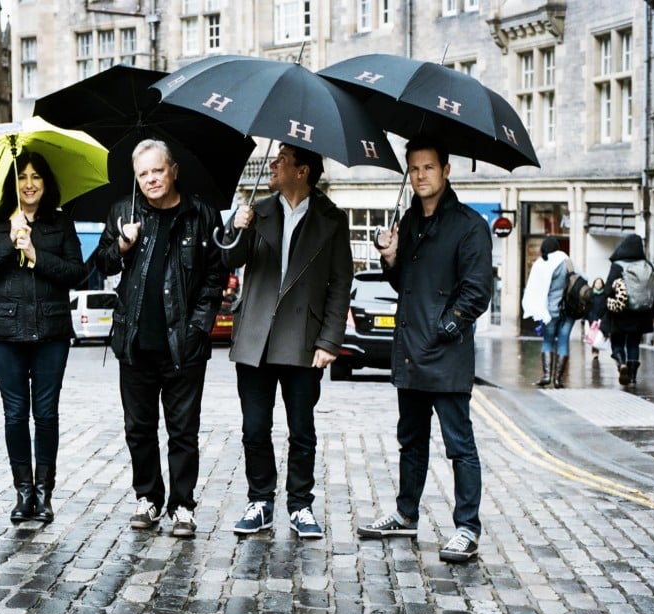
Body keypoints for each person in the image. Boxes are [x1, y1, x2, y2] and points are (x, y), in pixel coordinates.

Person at [357, 135, 493, 563]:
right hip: (409, 350)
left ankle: (467, 527)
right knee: (411, 441)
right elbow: (404, 285)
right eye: (413, 168)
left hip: (446, 352)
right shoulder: (409, 223)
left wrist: (444, 327)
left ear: (446, 170)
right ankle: (405, 514)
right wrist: (390, 257)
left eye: (428, 167)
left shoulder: (470, 225)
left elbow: (476, 292)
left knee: (459, 445)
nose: (419, 176)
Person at [94, 139, 227, 538]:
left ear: (173, 170)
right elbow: (100, 262)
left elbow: (214, 277)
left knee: (183, 430)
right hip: (135, 341)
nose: (151, 179)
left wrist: (198, 328)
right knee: (139, 427)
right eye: (143, 174)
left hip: (182, 345)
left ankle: (183, 506)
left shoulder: (202, 214)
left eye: (157, 170)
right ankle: (148, 498)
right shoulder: (124, 211)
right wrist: (122, 244)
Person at [223, 143, 353, 539]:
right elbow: (229, 259)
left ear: (303, 172)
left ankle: (300, 505)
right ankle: (260, 501)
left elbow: (340, 283)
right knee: (255, 428)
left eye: (283, 159)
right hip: (255, 337)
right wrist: (236, 226)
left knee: (302, 430)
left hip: (303, 338)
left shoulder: (332, 219)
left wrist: (329, 340)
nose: (274, 164)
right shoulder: (256, 210)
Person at [0, 150, 84, 524]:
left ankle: (43, 492)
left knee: (46, 414)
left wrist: (35, 253)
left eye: (36, 176)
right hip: (6, 331)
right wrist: (10, 239)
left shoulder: (60, 223)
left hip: (51, 331)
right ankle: (23, 493)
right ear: (13, 183)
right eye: (23, 176)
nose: (30, 183)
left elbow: (76, 273)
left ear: (45, 182)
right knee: (15, 414)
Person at [603, 234, 654, 386]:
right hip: (641, 313)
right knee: (634, 344)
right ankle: (633, 377)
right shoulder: (647, 265)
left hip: (621, 312)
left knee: (617, 341)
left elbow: (608, 288)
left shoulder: (618, 265)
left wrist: (603, 307)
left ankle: (622, 364)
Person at [521, 236, 575, 388]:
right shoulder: (566, 260)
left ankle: (546, 376)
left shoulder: (540, 264)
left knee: (548, 341)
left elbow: (533, 289)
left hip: (549, 311)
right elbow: (581, 278)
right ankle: (558, 380)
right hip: (568, 310)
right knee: (564, 342)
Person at [586, 277, 607, 361]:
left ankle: (596, 350)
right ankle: (595, 352)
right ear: (594, 284)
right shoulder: (590, 294)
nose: (598, 284)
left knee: (599, 335)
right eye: (597, 283)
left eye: (600, 283)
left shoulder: (604, 295)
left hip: (601, 318)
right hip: (591, 318)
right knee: (593, 336)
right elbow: (586, 307)